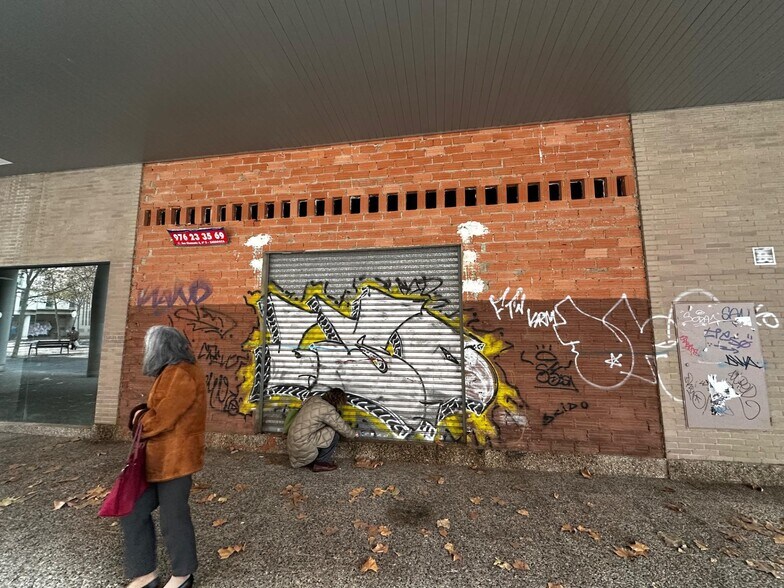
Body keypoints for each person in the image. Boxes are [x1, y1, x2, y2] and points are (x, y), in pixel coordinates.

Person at [123, 326, 206, 588]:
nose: (146, 351)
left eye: (150, 345)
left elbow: (161, 419)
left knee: (173, 518)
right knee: (133, 509)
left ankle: (183, 575)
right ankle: (145, 574)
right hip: (159, 460)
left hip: (175, 460)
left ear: (161, 347)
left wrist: (139, 419)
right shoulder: (173, 371)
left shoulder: (180, 373)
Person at [287, 387, 359, 472]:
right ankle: (321, 463)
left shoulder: (314, 400)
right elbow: (341, 427)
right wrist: (354, 434)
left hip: (293, 444)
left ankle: (313, 460)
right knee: (334, 433)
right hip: (303, 446)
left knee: (326, 428)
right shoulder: (326, 409)